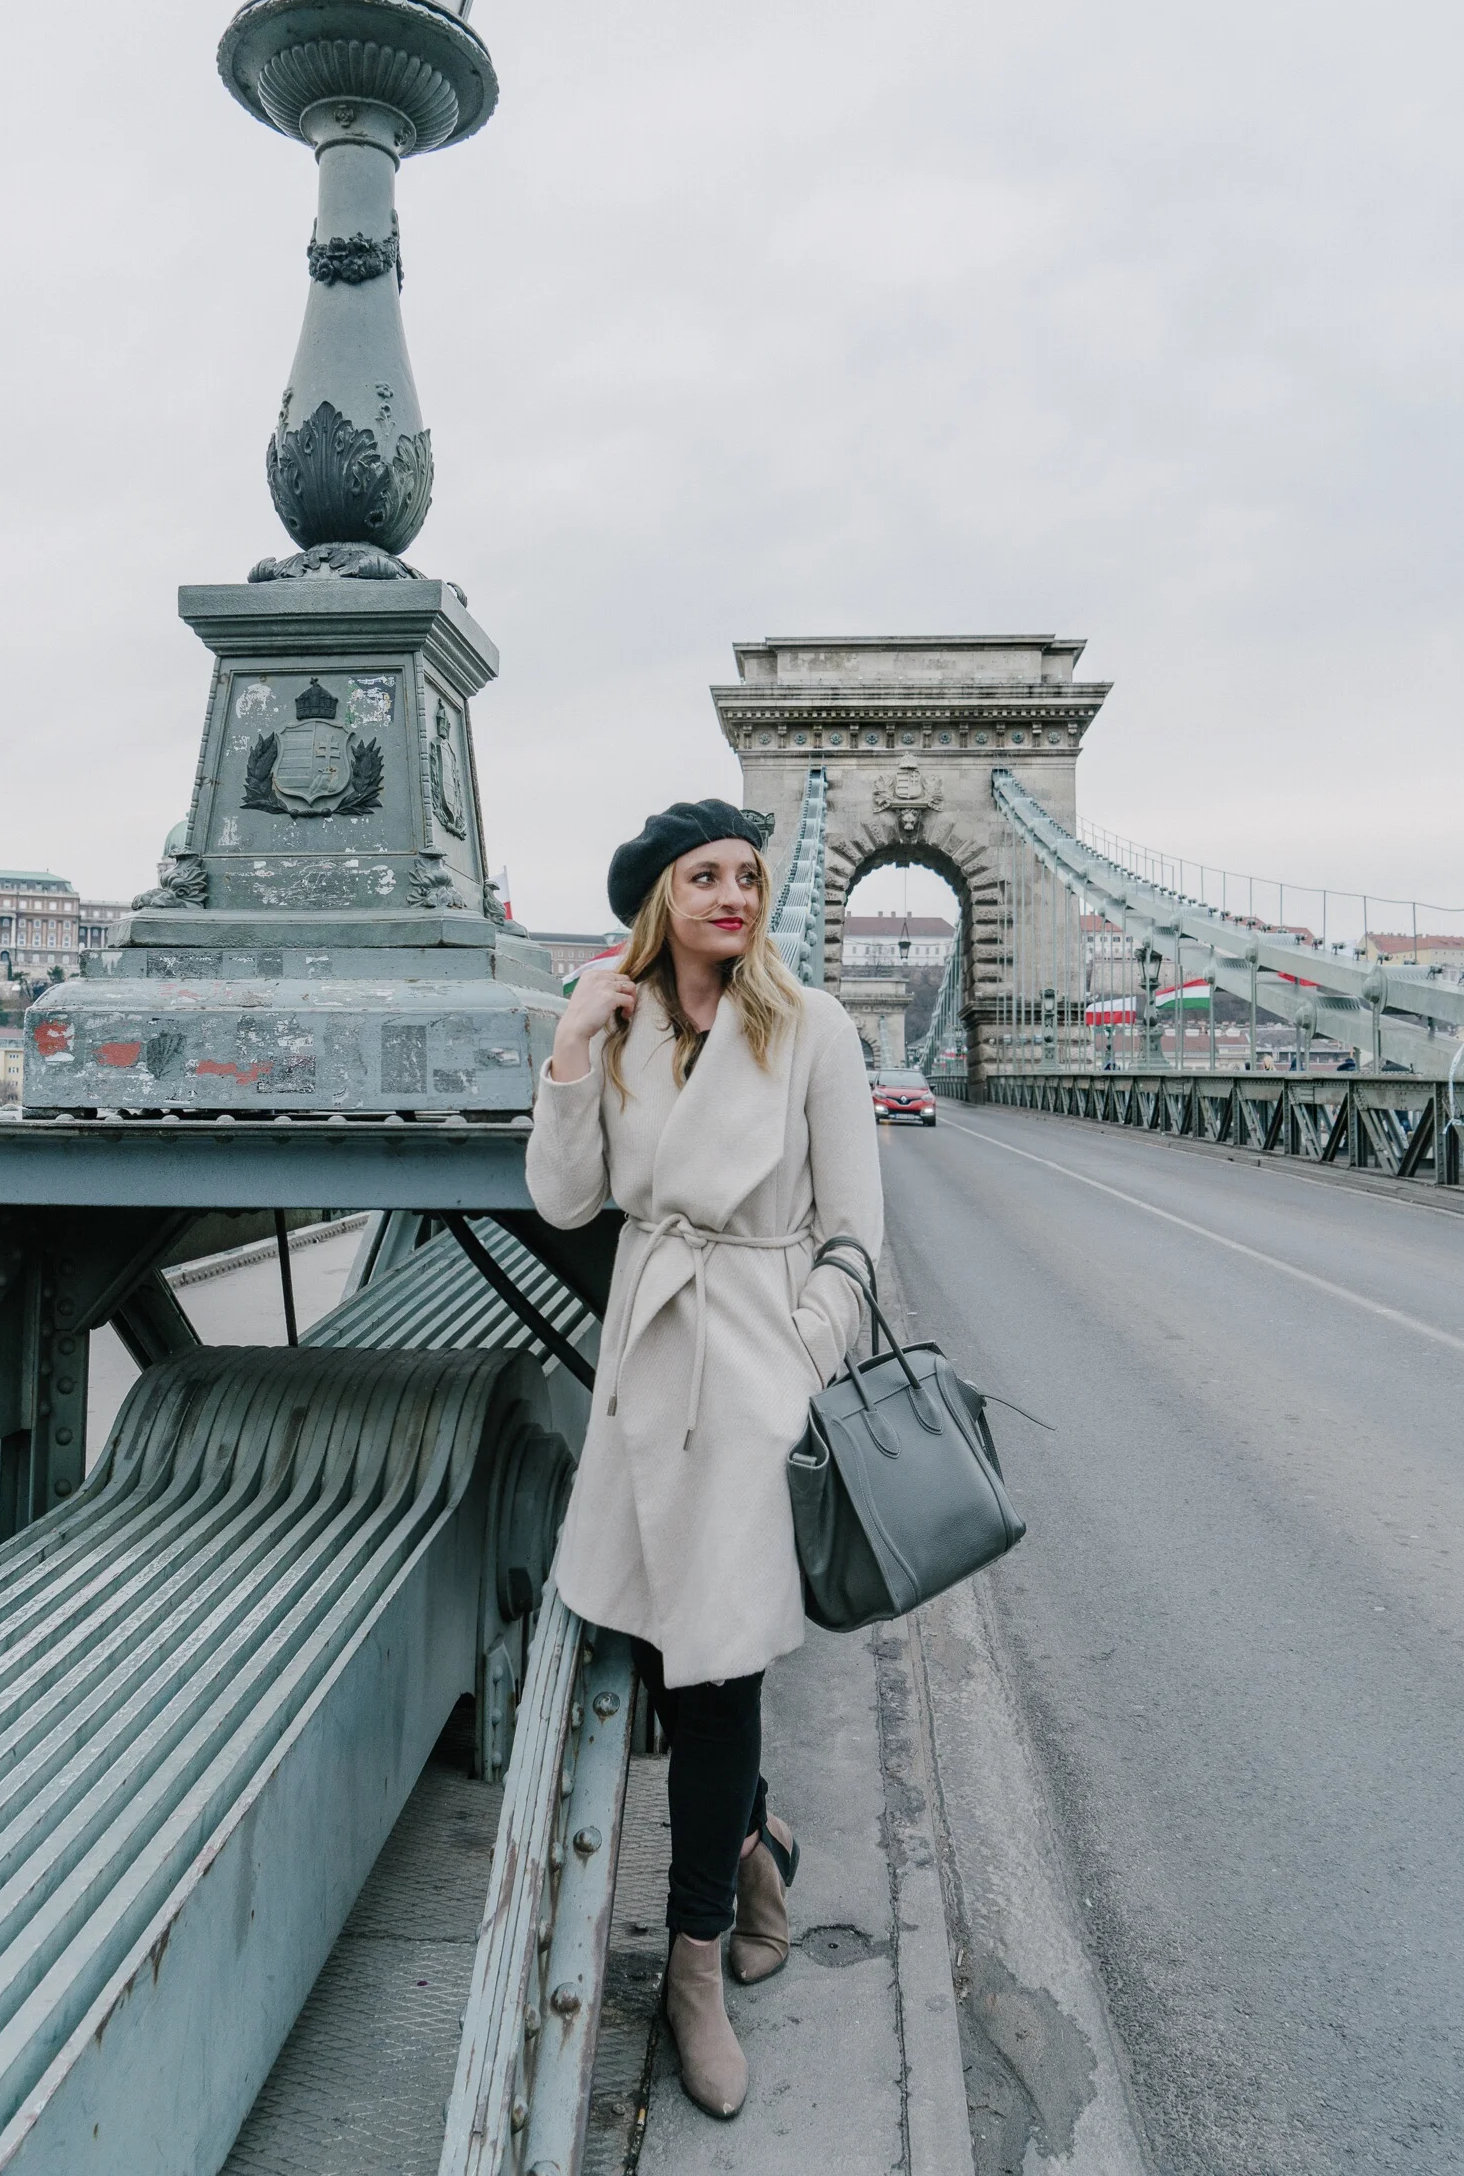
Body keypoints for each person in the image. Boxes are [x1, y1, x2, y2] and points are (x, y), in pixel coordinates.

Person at [525, 798, 883, 2120]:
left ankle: (690, 1974)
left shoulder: (814, 1028)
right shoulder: (616, 1026)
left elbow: (854, 1234)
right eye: (706, 877)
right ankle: (762, 1844)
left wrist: (796, 1358)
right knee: (673, 1660)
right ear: (662, 900)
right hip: (643, 1379)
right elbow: (567, 1201)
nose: (733, 894)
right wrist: (568, 1055)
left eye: (749, 874)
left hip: (745, 1382)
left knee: (718, 1675)